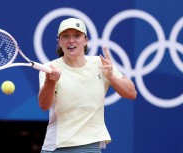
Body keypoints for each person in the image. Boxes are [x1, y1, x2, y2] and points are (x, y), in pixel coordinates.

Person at [38, 17, 137, 153]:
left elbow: (131, 93)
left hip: (90, 145)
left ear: (85, 40)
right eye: (66, 36)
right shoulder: (50, 68)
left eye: (77, 36)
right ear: (59, 42)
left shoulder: (100, 64)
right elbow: (44, 105)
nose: (71, 40)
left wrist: (111, 77)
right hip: (57, 146)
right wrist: (50, 82)